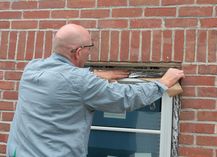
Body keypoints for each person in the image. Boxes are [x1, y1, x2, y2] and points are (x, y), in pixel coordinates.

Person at [7, 24, 184, 157]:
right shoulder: (81, 81)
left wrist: (94, 74)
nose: (90, 53)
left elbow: (66, 79)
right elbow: (125, 98)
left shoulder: (32, 68)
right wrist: (162, 82)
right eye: (89, 48)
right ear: (77, 52)